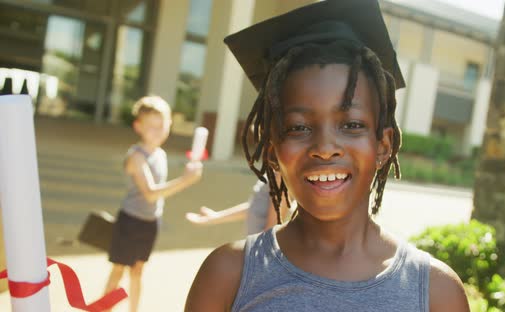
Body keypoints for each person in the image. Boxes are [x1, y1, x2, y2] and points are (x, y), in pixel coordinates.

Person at [185, 0, 469, 311]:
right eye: (298, 127)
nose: (324, 147)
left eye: (351, 124)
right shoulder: (229, 276)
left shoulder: (435, 293)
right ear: (272, 152)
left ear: (384, 147)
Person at [104, 95, 202, 312]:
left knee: (138, 271)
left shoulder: (160, 154)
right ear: (138, 126)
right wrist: (186, 180)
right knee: (118, 270)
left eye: (162, 125)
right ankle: (103, 309)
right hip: (130, 222)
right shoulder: (136, 157)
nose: (158, 131)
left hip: (150, 223)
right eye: (151, 126)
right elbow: (150, 194)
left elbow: (156, 195)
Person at [185, 172, 291, 235]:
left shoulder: (280, 174)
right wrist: (215, 217)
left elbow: (273, 227)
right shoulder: (275, 168)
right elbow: (258, 208)